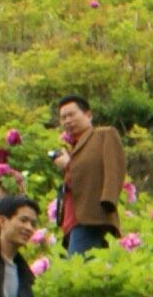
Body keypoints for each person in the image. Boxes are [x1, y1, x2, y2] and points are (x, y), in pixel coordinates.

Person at [52, 95, 125, 254]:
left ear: (88, 115)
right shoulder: (72, 147)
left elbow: (115, 170)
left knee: (81, 273)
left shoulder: (104, 135)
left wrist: (108, 203)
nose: (67, 121)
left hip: (93, 217)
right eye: (63, 118)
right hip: (71, 222)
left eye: (71, 115)